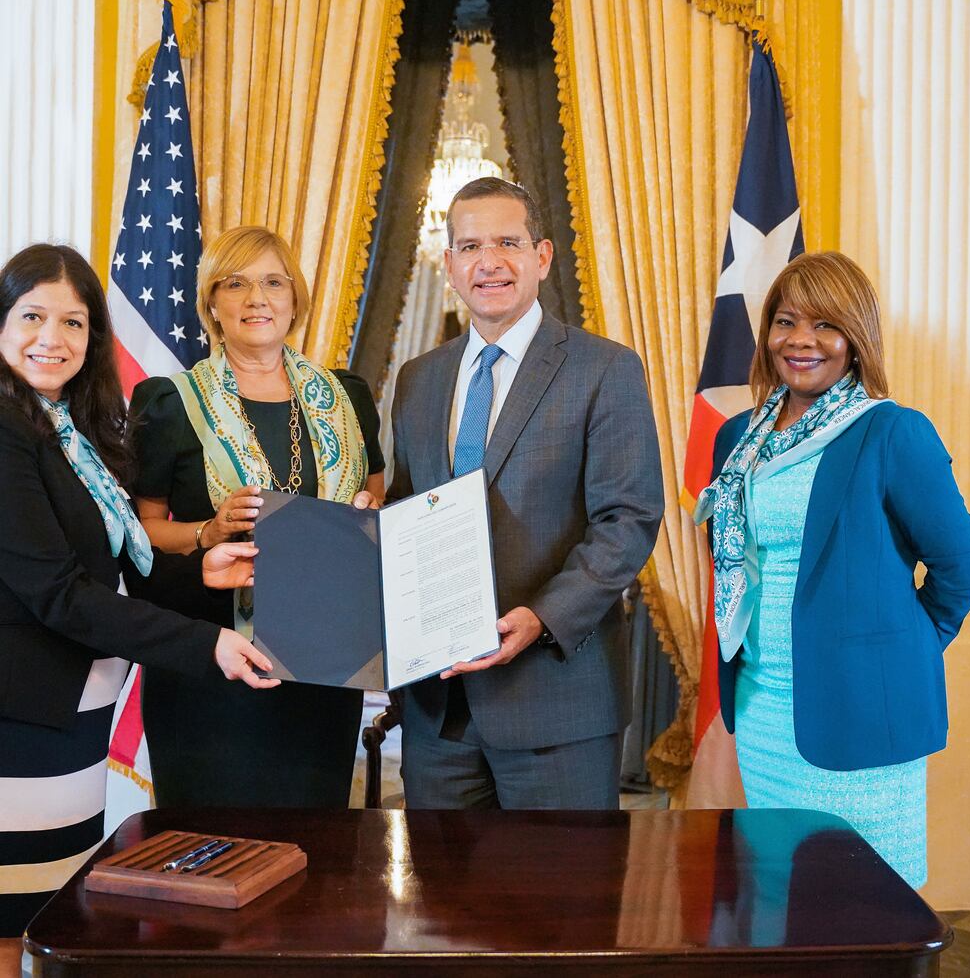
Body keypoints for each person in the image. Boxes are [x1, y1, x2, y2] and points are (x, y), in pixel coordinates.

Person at [0, 244, 278, 976]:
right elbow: (60, 594)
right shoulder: (4, 431)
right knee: (15, 926)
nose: (50, 338)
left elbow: (120, 570)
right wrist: (207, 645)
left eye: (73, 322)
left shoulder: (70, 432)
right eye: (32, 316)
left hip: (74, 716)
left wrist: (203, 568)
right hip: (19, 721)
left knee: (50, 909)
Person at [695, 251, 970, 887]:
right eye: (786, 321)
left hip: (860, 716)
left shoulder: (892, 432)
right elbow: (733, 557)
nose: (801, 341)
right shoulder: (739, 437)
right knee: (778, 898)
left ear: (856, 339)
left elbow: (962, 562)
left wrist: (903, 646)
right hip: (762, 706)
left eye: (825, 324)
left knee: (865, 908)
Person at [388, 177, 663, 809]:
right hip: (438, 716)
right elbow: (411, 511)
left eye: (508, 242)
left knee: (560, 906)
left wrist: (542, 618)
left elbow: (628, 521)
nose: (489, 262)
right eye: (469, 246)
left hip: (557, 708)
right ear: (449, 264)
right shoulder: (418, 379)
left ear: (541, 256)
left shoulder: (605, 368)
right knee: (440, 907)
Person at [129, 225, 385, 809]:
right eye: (235, 283)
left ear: (295, 297)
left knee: (312, 853)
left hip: (325, 665)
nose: (256, 299)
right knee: (207, 855)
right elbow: (140, 535)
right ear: (211, 303)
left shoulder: (347, 397)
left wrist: (371, 515)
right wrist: (205, 531)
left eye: (273, 281)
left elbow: (376, 505)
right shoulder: (167, 401)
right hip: (208, 664)